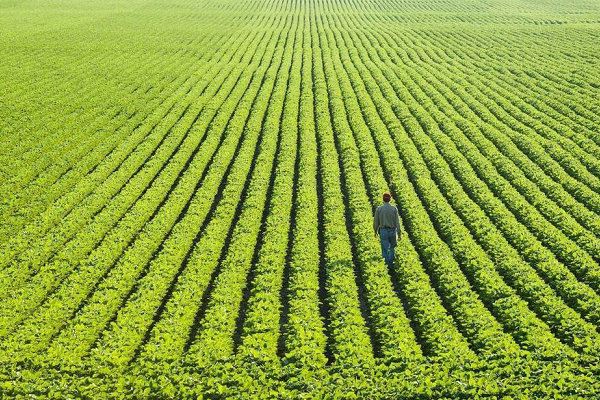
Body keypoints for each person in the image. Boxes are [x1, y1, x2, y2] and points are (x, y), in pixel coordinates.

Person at [373, 193, 402, 268]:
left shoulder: (379, 209)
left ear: (383, 199)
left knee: (385, 248)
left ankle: (386, 265)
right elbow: (397, 222)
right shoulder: (394, 209)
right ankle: (391, 263)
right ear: (390, 199)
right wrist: (399, 233)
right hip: (392, 231)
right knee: (392, 247)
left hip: (383, 231)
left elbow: (376, 222)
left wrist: (375, 231)